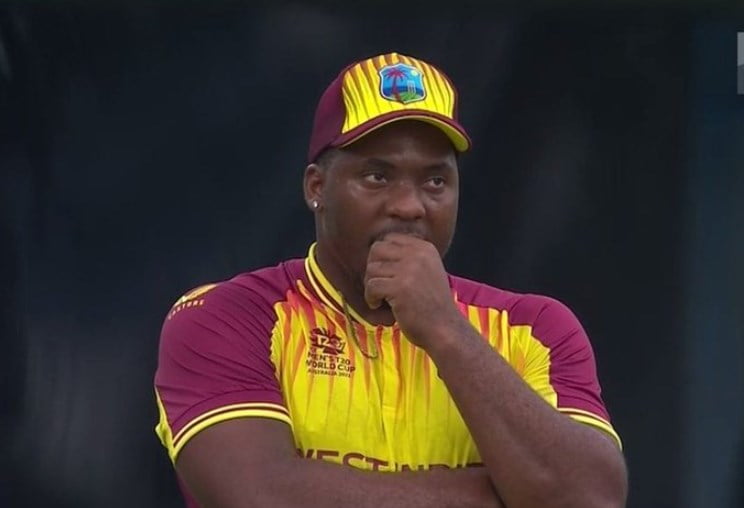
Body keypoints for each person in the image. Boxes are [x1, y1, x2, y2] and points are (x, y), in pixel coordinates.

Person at [154, 52, 628, 508]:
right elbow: (263, 497)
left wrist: (445, 329)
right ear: (317, 187)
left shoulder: (534, 328)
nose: (409, 205)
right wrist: (496, 497)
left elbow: (591, 498)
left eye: (435, 181)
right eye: (377, 177)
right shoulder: (227, 318)